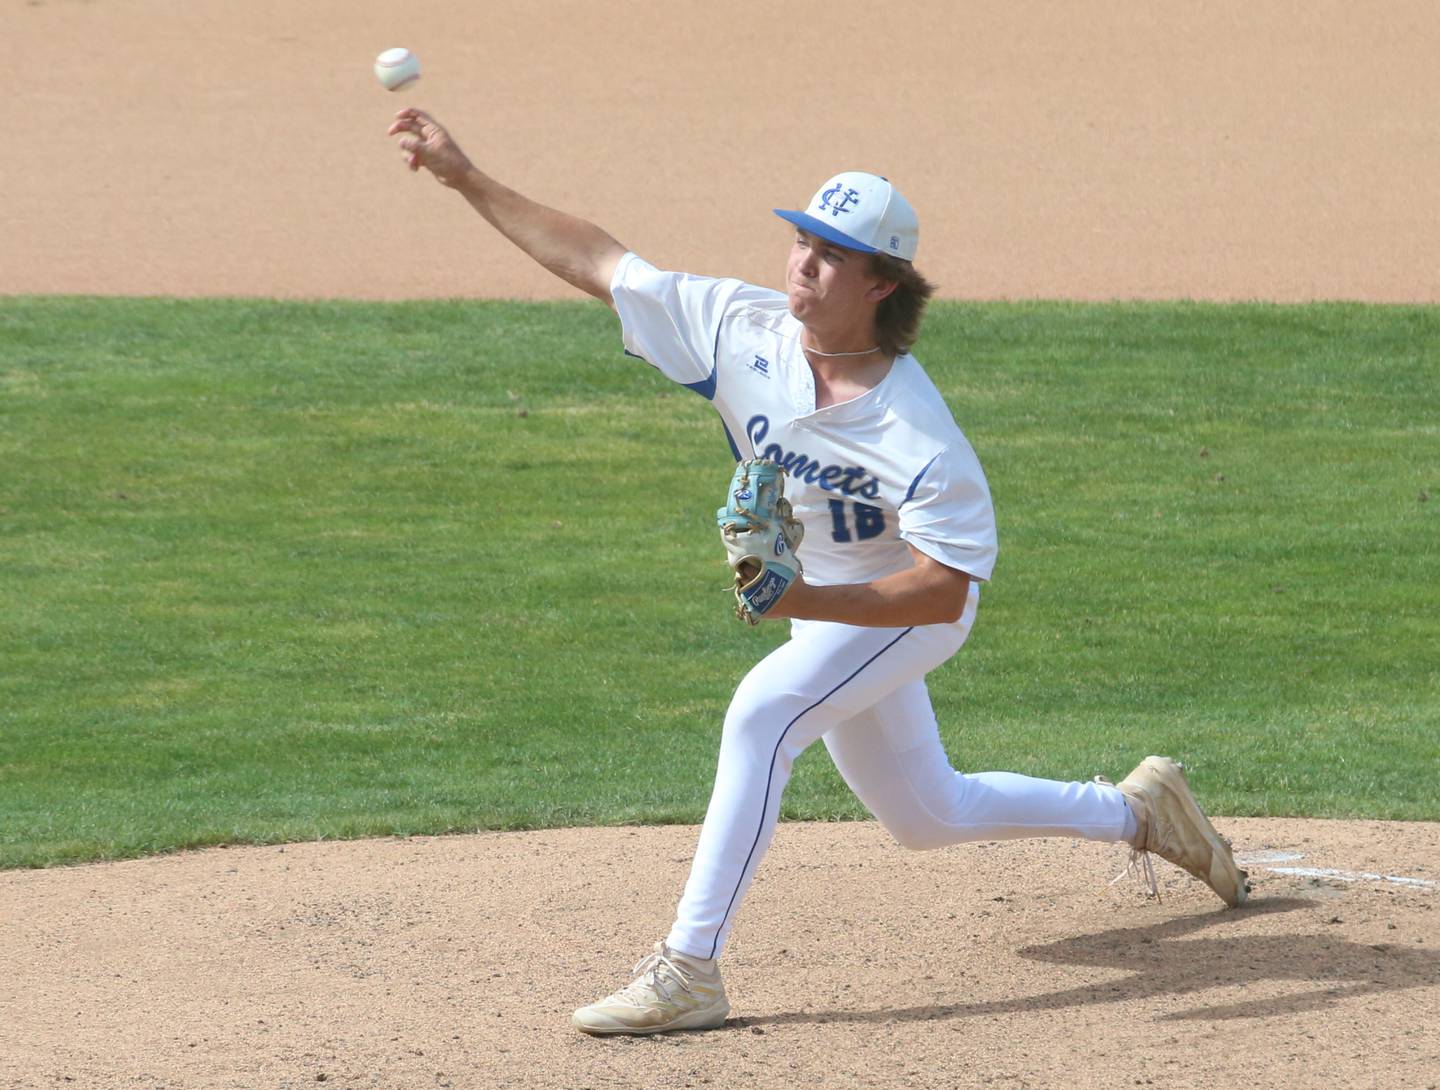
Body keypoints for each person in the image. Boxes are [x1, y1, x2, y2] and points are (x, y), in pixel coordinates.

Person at [386, 108, 1250, 1036]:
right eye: (800, 239)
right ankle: (1139, 811)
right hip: (828, 608)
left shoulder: (917, 436)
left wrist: (804, 599)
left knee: (762, 715)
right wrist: (465, 177)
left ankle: (690, 970)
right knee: (929, 814)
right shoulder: (738, 330)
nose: (802, 261)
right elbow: (601, 263)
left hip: (907, 609)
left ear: (881, 284)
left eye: (830, 254)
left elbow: (947, 589)